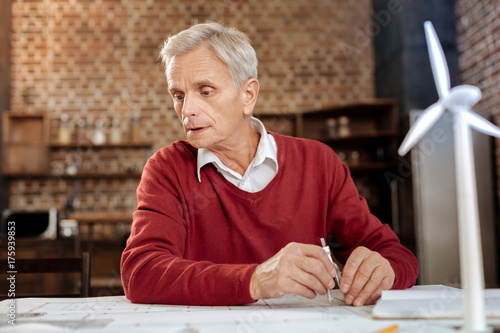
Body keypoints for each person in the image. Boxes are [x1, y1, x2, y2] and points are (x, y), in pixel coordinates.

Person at [120, 22, 418, 307]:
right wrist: (255, 280)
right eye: (179, 95)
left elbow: (397, 255)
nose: (187, 111)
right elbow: (141, 272)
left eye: (205, 91)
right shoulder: (167, 169)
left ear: (247, 95)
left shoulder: (318, 163)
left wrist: (386, 271)